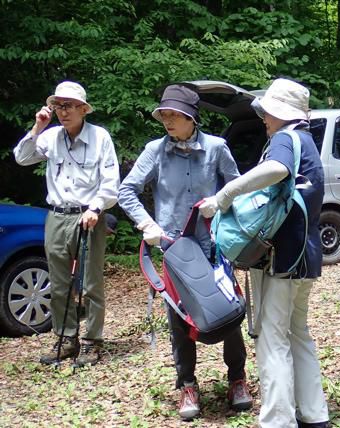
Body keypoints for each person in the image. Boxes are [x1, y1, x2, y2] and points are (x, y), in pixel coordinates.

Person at [198, 78, 329, 428]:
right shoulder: (307, 141)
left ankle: (277, 421)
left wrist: (224, 195)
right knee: (297, 332)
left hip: (282, 258)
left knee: (272, 339)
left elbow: (276, 170)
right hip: (306, 256)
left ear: (279, 113)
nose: (264, 119)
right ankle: (314, 415)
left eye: (268, 112)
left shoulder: (285, 138)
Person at [117, 85, 252, 420]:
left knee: (228, 311)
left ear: (193, 117)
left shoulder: (217, 148)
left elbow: (236, 190)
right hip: (175, 251)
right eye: (164, 114)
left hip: (214, 248)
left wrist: (220, 208)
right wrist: (148, 225)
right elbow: (127, 191)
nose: (167, 120)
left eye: (174, 114)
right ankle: (187, 384)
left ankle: (237, 378)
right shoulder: (155, 150)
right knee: (179, 318)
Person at [13, 81, 120, 367]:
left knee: (91, 283)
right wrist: (38, 126)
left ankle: (92, 341)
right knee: (59, 283)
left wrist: (96, 208)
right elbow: (22, 157)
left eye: (69, 105)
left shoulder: (100, 137)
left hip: (89, 215)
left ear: (84, 109)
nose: (63, 111)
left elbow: (111, 182)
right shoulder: (50, 137)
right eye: (58, 105)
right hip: (57, 216)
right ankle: (65, 337)